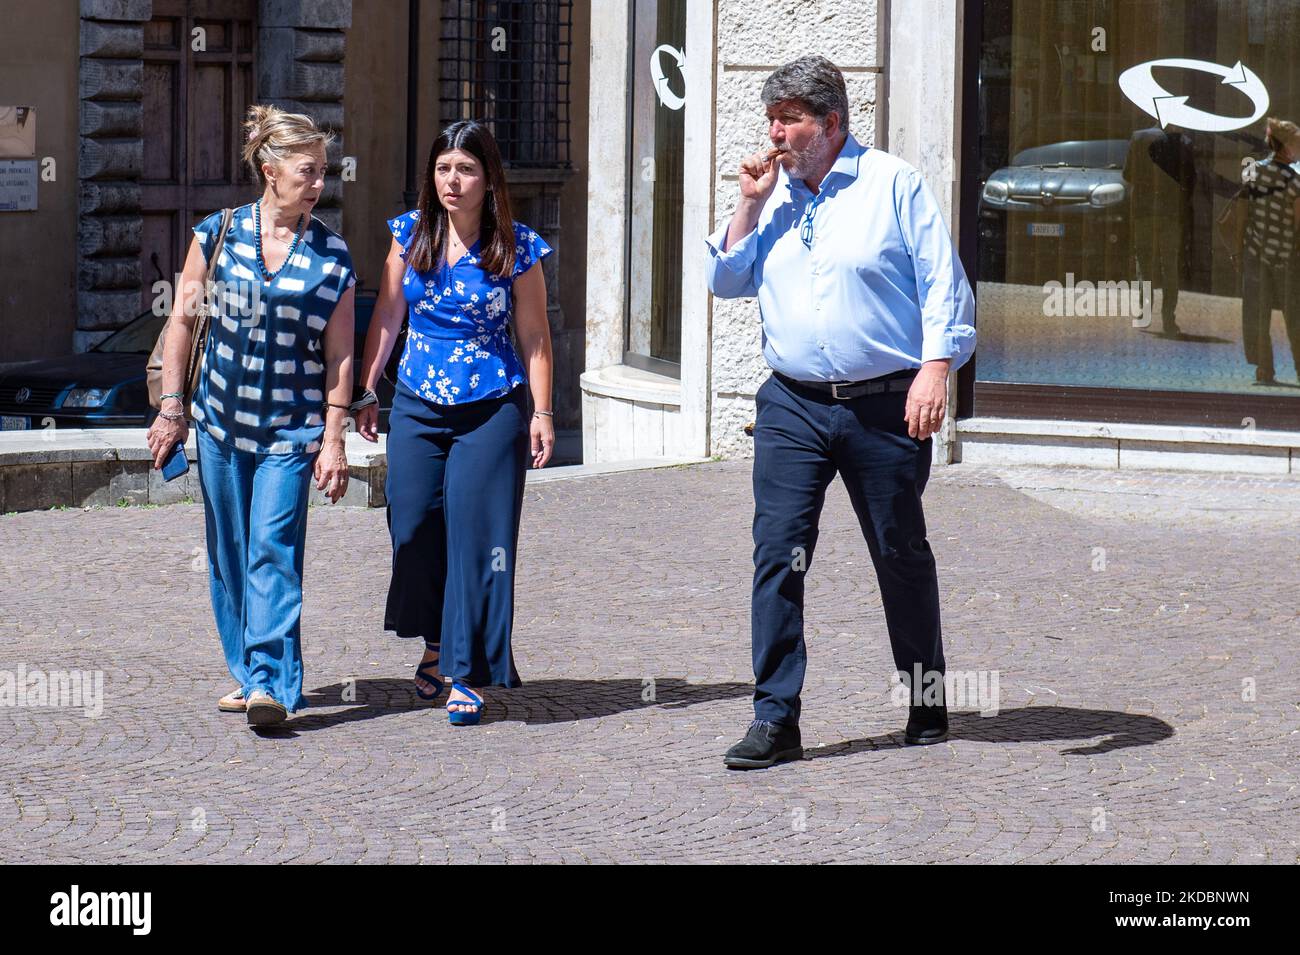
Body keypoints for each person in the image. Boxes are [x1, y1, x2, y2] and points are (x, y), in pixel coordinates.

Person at [705, 55, 976, 769]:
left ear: (830, 123)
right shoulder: (776, 197)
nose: (775, 133)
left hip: (884, 404)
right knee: (777, 552)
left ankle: (924, 695)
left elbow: (943, 284)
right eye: (771, 119)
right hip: (792, 404)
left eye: (789, 119)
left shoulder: (894, 185)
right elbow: (724, 279)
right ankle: (775, 716)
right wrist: (748, 205)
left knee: (898, 550)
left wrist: (935, 368)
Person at [146, 104, 356, 726]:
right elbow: (183, 320)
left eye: (323, 173)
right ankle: (250, 671)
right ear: (269, 169)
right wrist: (172, 408)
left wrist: (335, 438)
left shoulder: (333, 255)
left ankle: (268, 680)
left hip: (291, 431)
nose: (319, 183)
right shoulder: (218, 233)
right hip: (217, 424)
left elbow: (341, 354)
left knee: (272, 547)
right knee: (229, 551)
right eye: (308, 171)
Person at [355, 120, 554, 726]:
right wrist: (367, 388)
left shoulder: (517, 246)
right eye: (443, 168)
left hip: (492, 409)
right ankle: (436, 641)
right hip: (417, 401)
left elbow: (536, 334)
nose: (452, 180)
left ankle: (466, 671)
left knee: (479, 538)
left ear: (488, 179)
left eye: (465, 169)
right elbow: (388, 314)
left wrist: (543, 413)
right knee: (412, 525)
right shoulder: (407, 236)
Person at [1240, 117, 1300, 385]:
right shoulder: (1294, 180)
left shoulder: (1252, 171)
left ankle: (1264, 370)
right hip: (1286, 257)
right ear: (1286, 146)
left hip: (1255, 251)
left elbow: (1242, 211)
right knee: (1295, 317)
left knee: (1257, 314)